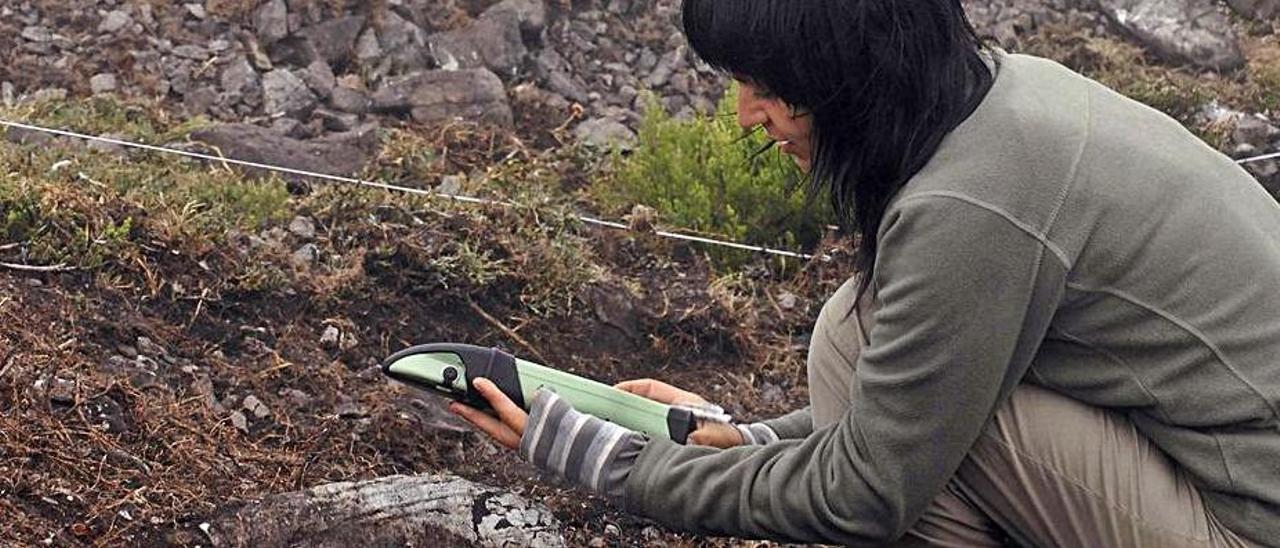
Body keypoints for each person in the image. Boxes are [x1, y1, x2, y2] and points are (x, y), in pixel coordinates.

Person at [449, 0, 1280, 545]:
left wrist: (608, 463)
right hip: (1214, 466)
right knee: (856, 334)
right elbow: (922, 395)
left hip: (1245, 520)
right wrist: (747, 439)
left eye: (766, 86)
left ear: (851, 80)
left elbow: (867, 490)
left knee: (890, 404)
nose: (744, 115)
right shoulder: (1001, 101)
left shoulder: (972, 207)